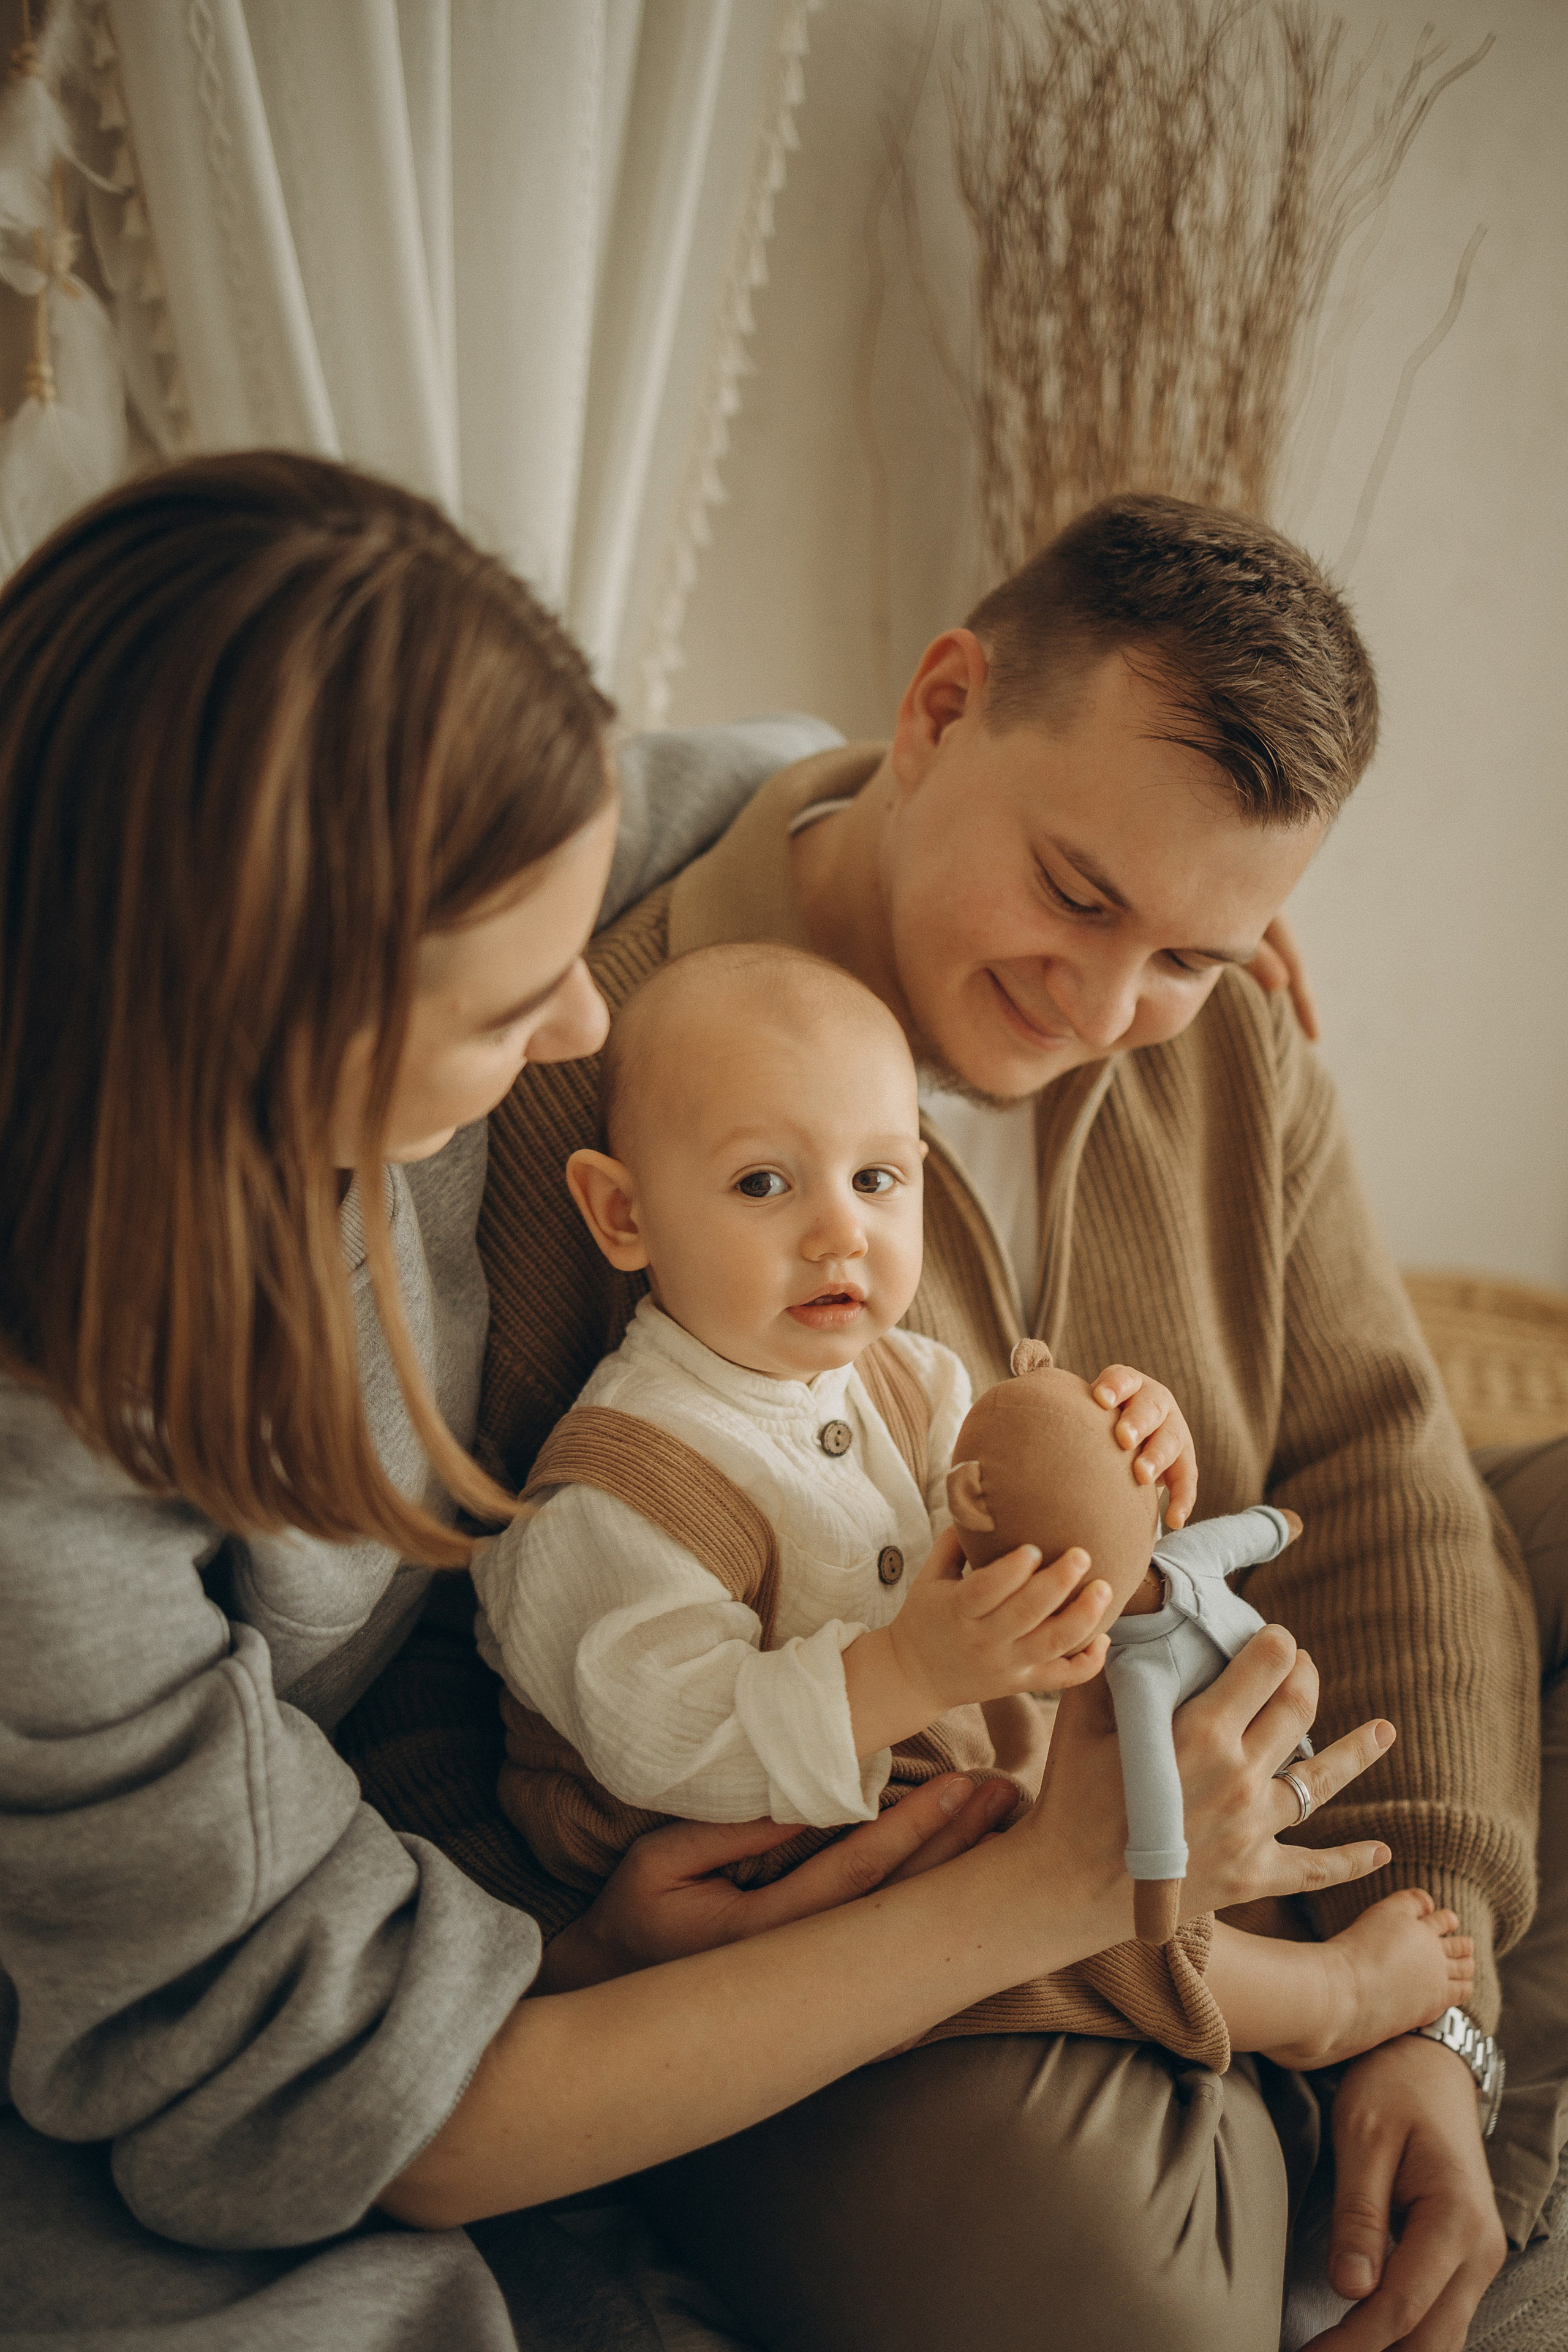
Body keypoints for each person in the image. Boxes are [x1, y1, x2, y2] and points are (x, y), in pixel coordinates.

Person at [0, 454, 1396, 2352]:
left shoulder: (467, 912)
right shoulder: (65, 1491)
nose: (580, 1027)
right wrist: (1047, 1894)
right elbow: (360, 2106)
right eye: (513, 1010)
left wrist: (1140, 918)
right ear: (284, 1022)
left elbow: (747, 773)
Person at [458, 494, 1562, 2350]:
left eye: (1199, 952)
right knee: (1110, 2295)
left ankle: (1393, 2047)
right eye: (1077, 893)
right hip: (927, 1951)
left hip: (1248, 1765)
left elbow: (1386, 1470)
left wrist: (1443, 2006)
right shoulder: (598, 1064)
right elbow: (442, 1619)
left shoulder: (1221, 1039)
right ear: (942, 706)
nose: (1113, 1009)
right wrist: (561, 1956)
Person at [473, 938, 1474, 2078]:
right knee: (1007, 1863)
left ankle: (1215, 1923)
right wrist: (905, 1676)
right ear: (622, 1214)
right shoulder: (623, 1483)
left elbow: (1037, 1523)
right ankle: (1313, 1999)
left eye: (877, 1179)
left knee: (1073, 1787)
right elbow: (660, 1737)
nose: (840, 1232)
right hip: (730, 1865)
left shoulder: (915, 1379)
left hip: (912, 1781)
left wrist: (1132, 1450)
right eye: (764, 1183)